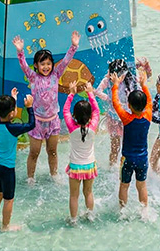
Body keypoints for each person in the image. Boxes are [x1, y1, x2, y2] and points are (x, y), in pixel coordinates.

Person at [13, 31, 79, 182]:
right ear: (36, 66)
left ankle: (54, 175)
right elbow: (24, 66)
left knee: (53, 151)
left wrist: (73, 46)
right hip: (37, 122)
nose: (46, 67)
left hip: (53, 121)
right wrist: (20, 51)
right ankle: (30, 178)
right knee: (34, 153)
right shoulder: (33, 77)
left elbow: (66, 61)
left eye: (48, 64)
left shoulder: (56, 74)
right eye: (42, 64)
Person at [0, 88, 35, 232]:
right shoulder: (13, 128)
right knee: (8, 199)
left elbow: (6, 115)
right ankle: (5, 226)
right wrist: (29, 107)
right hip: (6, 169)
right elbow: (31, 125)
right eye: (14, 109)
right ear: (11, 114)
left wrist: (13, 98)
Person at [110, 68, 153, 213]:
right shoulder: (148, 115)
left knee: (124, 185)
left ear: (128, 105)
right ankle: (144, 211)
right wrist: (144, 85)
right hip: (142, 159)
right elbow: (149, 101)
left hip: (127, 158)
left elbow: (116, 103)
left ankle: (122, 210)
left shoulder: (126, 118)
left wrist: (116, 85)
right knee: (142, 185)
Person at [94, 58, 148, 168]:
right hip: (114, 118)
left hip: (127, 119)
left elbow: (141, 89)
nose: (113, 77)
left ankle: (125, 167)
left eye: (117, 75)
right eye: (111, 74)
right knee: (115, 147)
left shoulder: (131, 79)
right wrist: (109, 99)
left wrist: (146, 68)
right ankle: (111, 167)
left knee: (128, 146)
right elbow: (97, 91)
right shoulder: (107, 80)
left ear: (123, 74)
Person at [63, 80, 99, 224]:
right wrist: (90, 93)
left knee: (74, 195)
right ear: (90, 116)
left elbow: (65, 111)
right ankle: (90, 216)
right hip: (89, 165)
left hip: (76, 167)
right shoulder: (93, 127)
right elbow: (96, 110)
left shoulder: (72, 127)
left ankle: (73, 220)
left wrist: (71, 93)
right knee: (88, 192)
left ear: (74, 115)